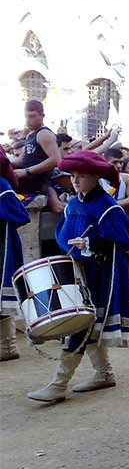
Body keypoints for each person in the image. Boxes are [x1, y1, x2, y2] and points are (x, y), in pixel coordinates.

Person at [26, 152, 129, 403]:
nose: (76, 181)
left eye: (82, 176)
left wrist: (92, 244)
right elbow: (62, 235)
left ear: (96, 177)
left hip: (99, 275)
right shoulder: (74, 204)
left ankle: (59, 384)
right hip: (78, 274)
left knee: (81, 325)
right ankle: (104, 373)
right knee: (85, 325)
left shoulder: (108, 207)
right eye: (73, 176)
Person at [0, 151, 30, 361]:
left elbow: (20, 215)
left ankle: (8, 346)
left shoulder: (2, 185)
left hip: (2, 246)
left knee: (1, 295)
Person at [11, 100, 61, 211]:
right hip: (27, 178)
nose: (28, 120)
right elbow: (26, 160)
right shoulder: (30, 135)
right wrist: (8, 163)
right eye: (26, 117)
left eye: (32, 116)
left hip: (36, 181)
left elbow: (55, 160)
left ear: (42, 116)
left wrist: (27, 171)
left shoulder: (44, 134)